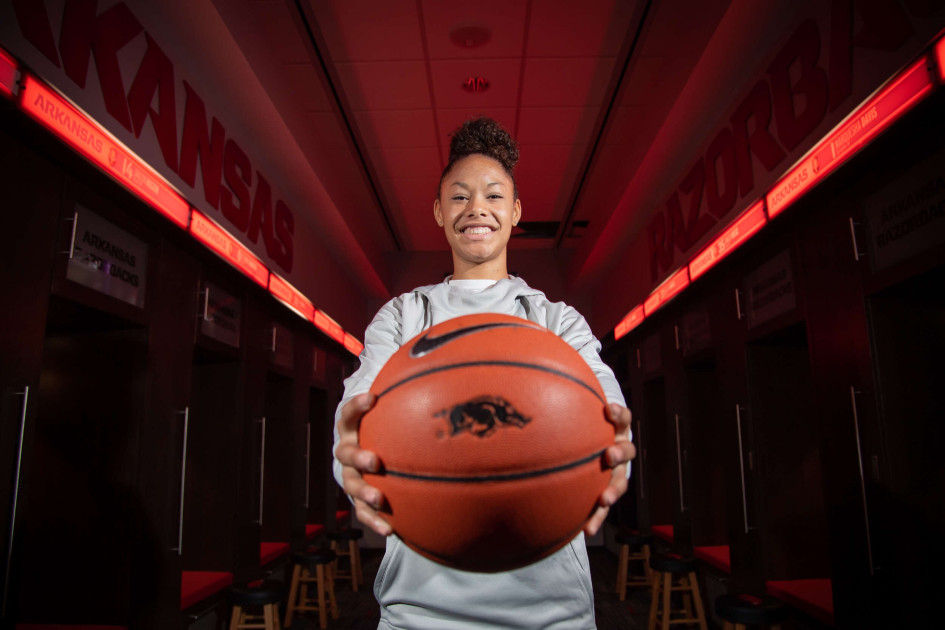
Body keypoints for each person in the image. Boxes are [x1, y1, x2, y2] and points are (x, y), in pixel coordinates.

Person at [333, 117, 635, 630]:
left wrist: (612, 446)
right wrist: (350, 461)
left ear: (515, 212)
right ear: (438, 211)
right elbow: (354, 420)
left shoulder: (557, 322)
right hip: (420, 615)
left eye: (494, 195)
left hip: (552, 614)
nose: (477, 208)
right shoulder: (403, 317)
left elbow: (610, 417)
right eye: (459, 196)